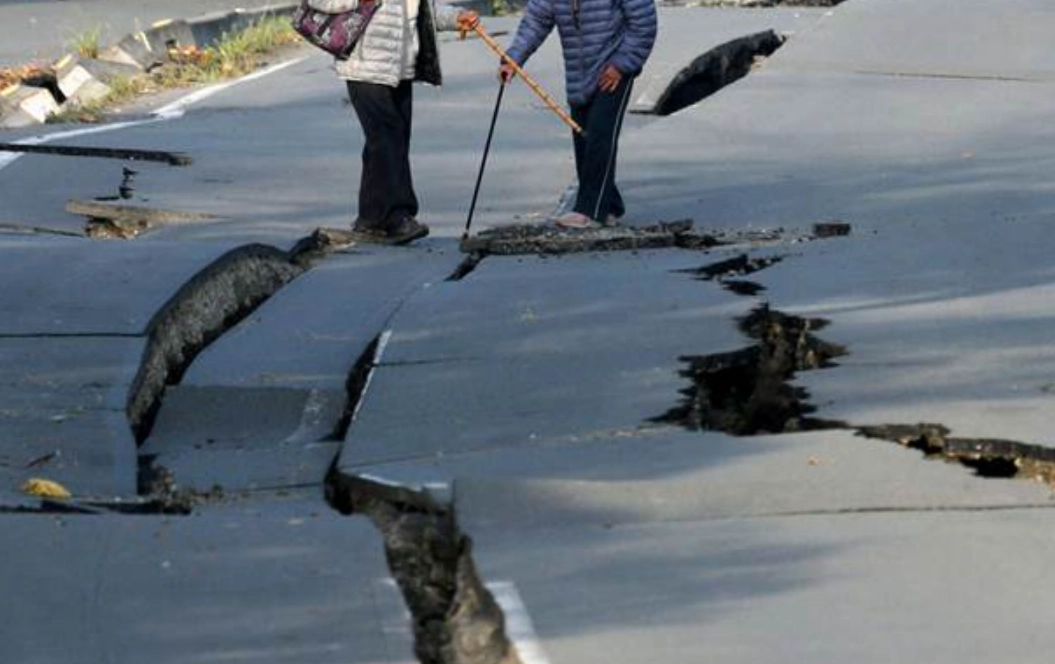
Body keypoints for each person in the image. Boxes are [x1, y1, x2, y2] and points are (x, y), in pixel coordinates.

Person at [330, 0, 479, 244]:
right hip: (366, 65)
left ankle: (370, 218)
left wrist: (456, 17)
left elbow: (422, 11)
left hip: (401, 68)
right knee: (387, 136)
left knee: (389, 141)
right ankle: (398, 216)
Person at [501, 0, 657, 229]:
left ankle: (589, 211)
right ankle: (609, 206)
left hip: (614, 71)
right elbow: (535, 22)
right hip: (579, 75)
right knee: (584, 139)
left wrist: (622, 65)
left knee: (599, 136)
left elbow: (644, 23)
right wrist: (513, 59)